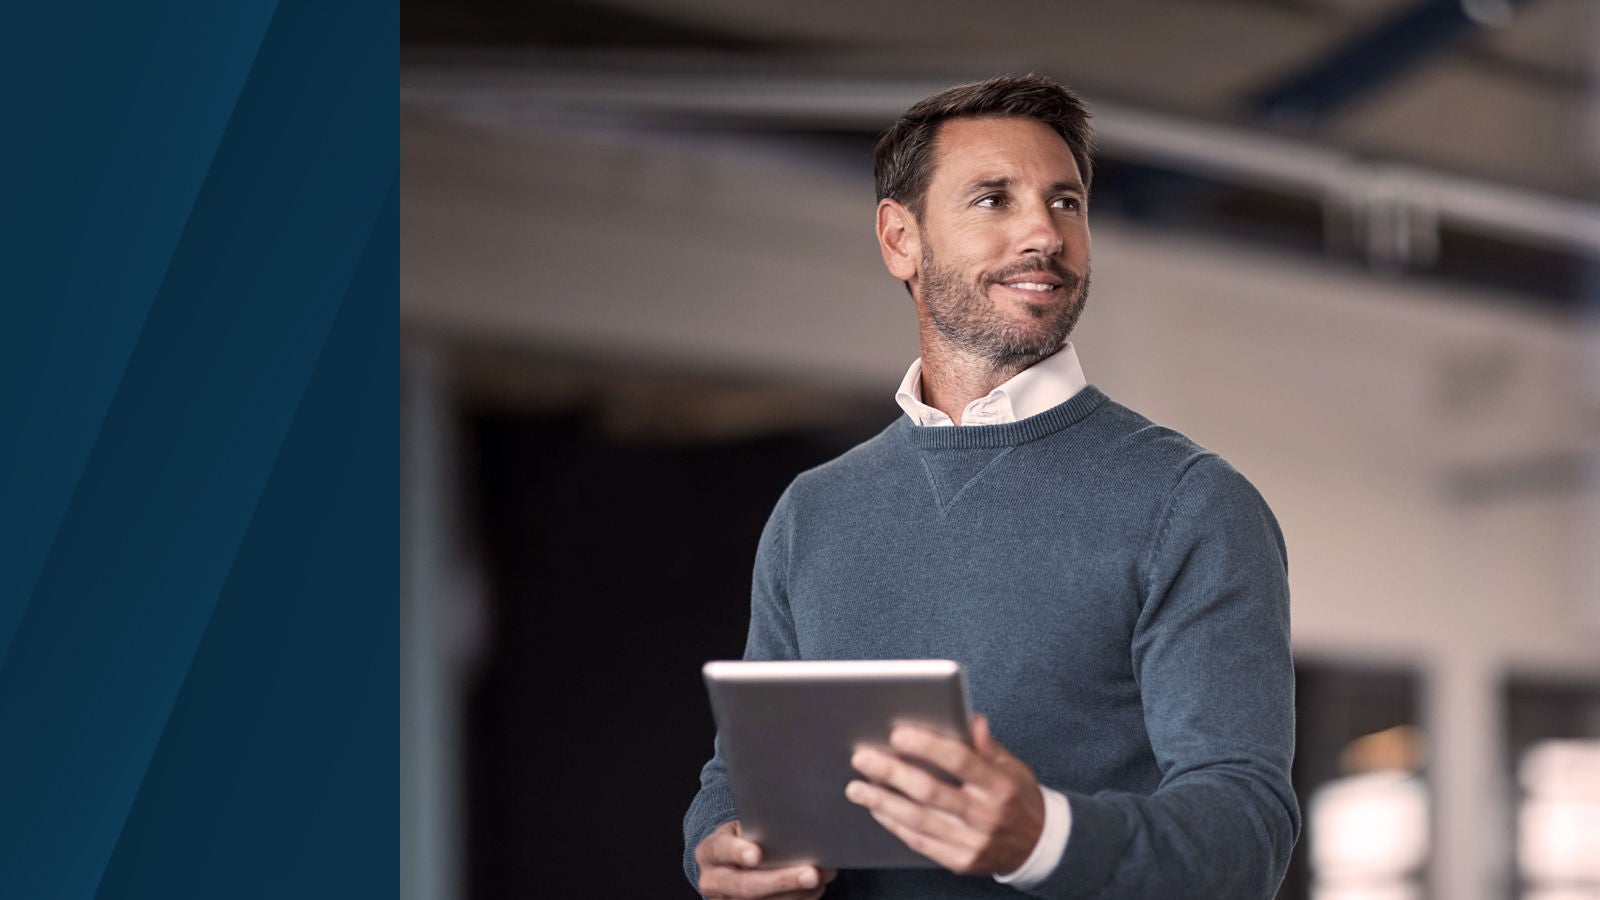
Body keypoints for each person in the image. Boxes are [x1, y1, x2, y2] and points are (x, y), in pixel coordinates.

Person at [682, 74, 1299, 900]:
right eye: (993, 199)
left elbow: (1246, 835)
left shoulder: (1190, 504)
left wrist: (1043, 838)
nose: (1044, 231)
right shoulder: (815, 512)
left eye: (1066, 203)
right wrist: (713, 846)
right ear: (901, 238)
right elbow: (740, 769)